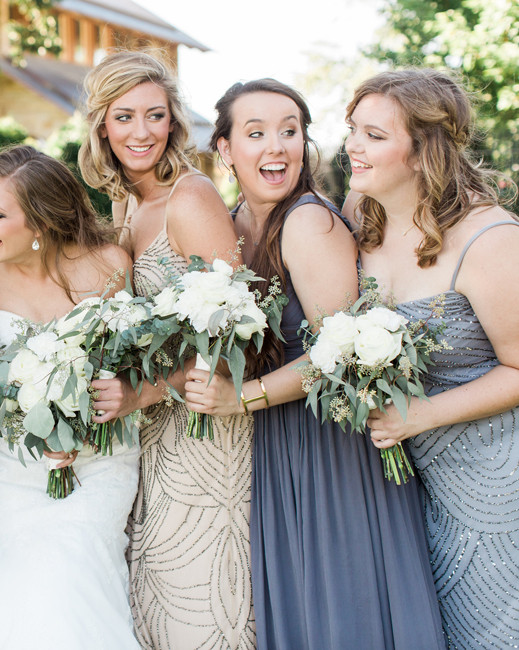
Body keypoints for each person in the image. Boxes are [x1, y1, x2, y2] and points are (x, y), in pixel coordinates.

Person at [185, 78, 445, 649]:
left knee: (343, 609)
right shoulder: (234, 224)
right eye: (256, 133)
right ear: (225, 148)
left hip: (332, 443)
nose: (277, 147)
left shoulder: (308, 222)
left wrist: (242, 398)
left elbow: (337, 357)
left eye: (290, 131)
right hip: (279, 442)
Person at [77, 50, 254, 649]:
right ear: (102, 125)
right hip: (150, 437)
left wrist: (141, 393)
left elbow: (234, 328)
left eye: (155, 115)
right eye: (124, 116)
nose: (142, 132)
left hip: (203, 429)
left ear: (173, 122)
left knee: (200, 604)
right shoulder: (124, 205)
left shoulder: (191, 196)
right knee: (153, 603)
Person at [345, 68, 519, 648]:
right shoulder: (361, 215)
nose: (352, 146)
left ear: (423, 152)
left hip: (499, 482)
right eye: (353, 129)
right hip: (410, 491)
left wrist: (418, 416)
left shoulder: (488, 236)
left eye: (373, 135)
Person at [0, 145, 139, 649]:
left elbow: (128, 359)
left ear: (41, 222)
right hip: (15, 467)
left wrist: (116, 398)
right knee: (16, 584)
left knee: (73, 571)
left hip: (100, 462)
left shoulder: (109, 266)